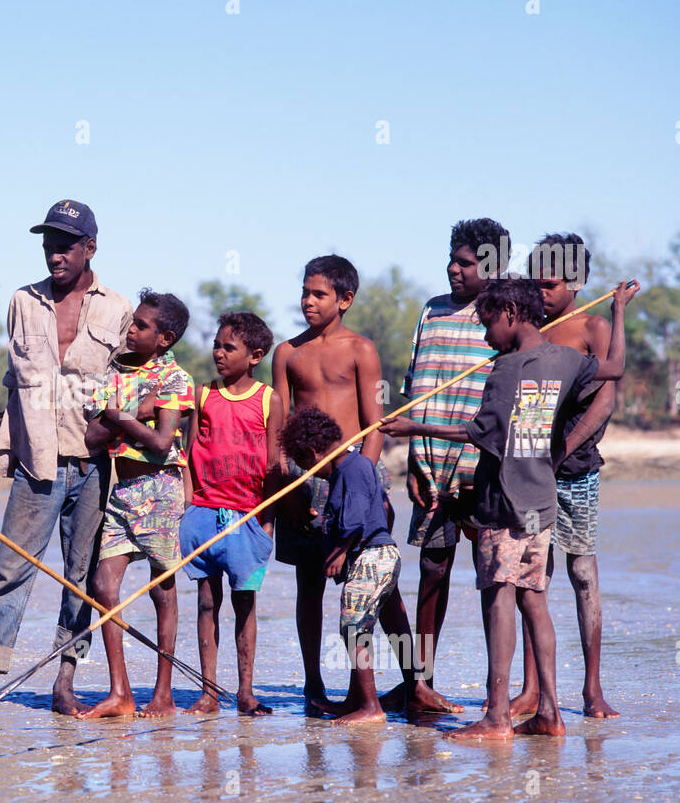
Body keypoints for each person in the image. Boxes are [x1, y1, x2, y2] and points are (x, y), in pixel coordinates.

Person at [382, 278, 636, 740]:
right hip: (543, 498)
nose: (484, 337)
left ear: (513, 314)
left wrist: (412, 426)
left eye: (487, 324)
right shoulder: (567, 359)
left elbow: (480, 434)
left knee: (499, 597)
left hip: (502, 502)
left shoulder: (505, 369)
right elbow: (615, 366)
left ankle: (497, 716)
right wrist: (619, 310)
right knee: (534, 600)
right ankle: (550, 714)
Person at [0, 200, 132, 718]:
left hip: (92, 461)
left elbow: (131, 385)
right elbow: (16, 375)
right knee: (9, 569)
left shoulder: (118, 308)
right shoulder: (21, 300)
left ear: (90, 248)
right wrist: (9, 422)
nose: (55, 255)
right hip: (36, 461)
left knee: (80, 575)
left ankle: (65, 679)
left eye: (65, 245)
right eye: (48, 244)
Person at [271, 255, 458, 716]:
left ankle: (414, 683)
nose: (308, 302)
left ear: (345, 300)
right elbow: (278, 423)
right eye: (305, 292)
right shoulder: (287, 352)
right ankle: (315, 688)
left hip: (357, 478)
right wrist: (287, 487)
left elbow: (374, 424)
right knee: (309, 585)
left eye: (319, 294)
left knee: (384, 586)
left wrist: (364, 481)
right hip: (305, 482)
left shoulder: (361, 349)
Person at [392, 218, 509, 705]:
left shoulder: (503, 314)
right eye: (452, 259)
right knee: (432, 571)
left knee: (492, 579)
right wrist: (414, 465)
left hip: (483, 469)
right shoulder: (432, 310)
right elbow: (415, 383)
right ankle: (420, 682)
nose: (453, 270)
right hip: (431, 467)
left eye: (466, 263)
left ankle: (496, 691)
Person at [78, 290, 194, 719]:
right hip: (121, 495)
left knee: (162, 592)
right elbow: (92, 437)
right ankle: (120, 692)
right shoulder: (115, 373)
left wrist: (119, 417)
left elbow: (163, 443)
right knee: (103, 587)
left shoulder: (175, 379)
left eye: (141, 326)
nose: (131, 329)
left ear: (164, 338)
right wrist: (133, 414)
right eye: (132, 322)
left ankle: (163, 693)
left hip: (160, 491)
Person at [524, 233, 620, 718]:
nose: (541, 292)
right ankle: (534, 691)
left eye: (550, 284)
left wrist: (566, 447)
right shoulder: (528, 331)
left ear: (576, 282)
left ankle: (592, 688)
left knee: (582, 573)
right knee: (532, 576)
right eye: (534, 283)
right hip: (528, 472)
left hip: (575, 471)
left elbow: (606, 398)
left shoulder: (592, 327)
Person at [281, 405, 423, 725]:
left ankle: (371, 707)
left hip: (373, 556)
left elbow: (356, 517)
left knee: (354, 628)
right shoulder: (345, 470)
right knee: (355, 626)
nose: (307, 472)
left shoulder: (354, 467)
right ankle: (356, 699)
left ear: (313, 451)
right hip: (368, 557)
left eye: (304, 464)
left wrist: (341, 551)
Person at [179, 311, 280, 716]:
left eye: (229, 348)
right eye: (216, 345)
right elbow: (187, 454)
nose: (218, 353)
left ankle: (245, 691)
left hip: (246, 518)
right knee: (206, 601)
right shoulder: (204, 394)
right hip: (203, 513)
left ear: (255, 355)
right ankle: (208, 692)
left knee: (245, 603)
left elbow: (274, 462)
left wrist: (266, 521)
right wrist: (188, 505)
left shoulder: (268, 399)